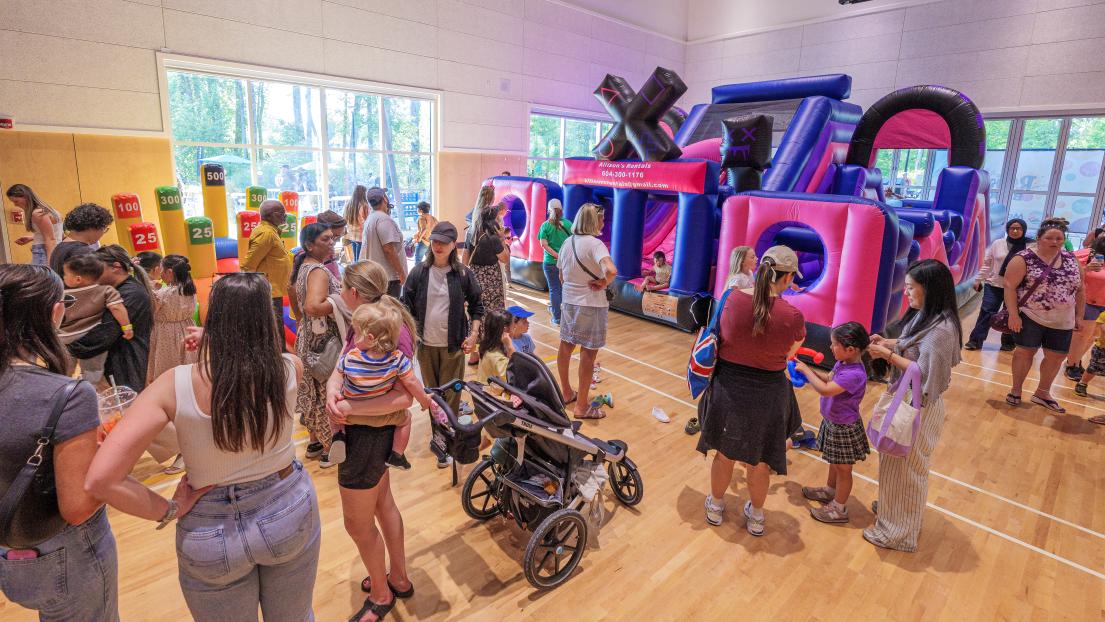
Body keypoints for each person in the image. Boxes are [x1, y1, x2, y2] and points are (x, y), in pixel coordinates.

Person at [85, 272, 321, 621]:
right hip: (287, 505)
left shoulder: (173, 383)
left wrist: (168, 509)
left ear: (212, 319)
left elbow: (101, 480)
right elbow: (248, 363)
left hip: (209, 525)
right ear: (266, 320)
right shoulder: (291, 368)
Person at [0, 264, 119, 621]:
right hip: (63, 552)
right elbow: (78, 507)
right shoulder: (67, 394)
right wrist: (111, 456)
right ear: (55, 311)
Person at [697, 246, 806, 536]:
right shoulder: (793, 315)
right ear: (786, 279)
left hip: (728, 386)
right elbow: (790, 353)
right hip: (768, 392)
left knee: (724, 453)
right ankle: (756, 515)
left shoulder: (731, 299)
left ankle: (716, 505)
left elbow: (716, 335)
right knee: (760, 461)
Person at [864, 259, 962, 551]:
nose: (906, 293)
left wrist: (887, 355)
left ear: (929, 290)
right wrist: (890, 343)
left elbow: (924, 372)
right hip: (907, 399)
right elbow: (914, 344)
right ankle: (894, 513)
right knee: (896, 464)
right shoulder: (929, 316)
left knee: (908, 469)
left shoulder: (942, 329)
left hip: (918, 404)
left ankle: (898, 533)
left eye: (910, 288)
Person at [400, 222, 484, 468]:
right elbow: (405, 306)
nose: (437, 246)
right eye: (434, 241)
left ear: (452, 245)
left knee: (452, 396)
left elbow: (478, 305)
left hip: (453, 346)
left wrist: (474, 335)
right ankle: (440, 439)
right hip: (425, 346)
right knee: (432, 396)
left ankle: (449, 438)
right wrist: (410, 338)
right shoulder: (418, 272)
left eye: (443, 242)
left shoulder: (463, 274)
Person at [329, 303, 446, 470]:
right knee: (406, 419)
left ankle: (338, 436)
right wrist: (424, 400)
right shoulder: (397, 359)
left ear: (369, 338)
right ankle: (397, 455)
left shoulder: (350, 357)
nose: (353, 338)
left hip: (348, 416)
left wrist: (333, 392)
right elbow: (412, 383)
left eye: (356, 333)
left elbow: (337, 377)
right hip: (384, 416)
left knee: (332, 412)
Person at [1003, 218, 1084, 413]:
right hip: (1031, 316)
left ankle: (1042, 392)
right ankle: (1016, 389)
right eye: (1050, 238)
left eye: (1059, 238)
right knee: (1024, 352)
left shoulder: (1072, 259)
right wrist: (1013, 314)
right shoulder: (1024, 258)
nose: (1055, 242)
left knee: (1056, 357)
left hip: (1063, 320)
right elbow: (1009, 286)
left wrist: (1079, 315)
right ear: (1039, 238)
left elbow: (1081, 289)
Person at [794, 322, 871, 525]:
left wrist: (808, 373)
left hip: (843, 427)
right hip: (833, 422)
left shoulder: (854, 374)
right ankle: (830, 491)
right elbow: (828, 378)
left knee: (843, 469)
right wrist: (808, 371)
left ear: (851, 349)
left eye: (834, 344)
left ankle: (839, 508)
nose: (830, 348)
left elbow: (827, 390)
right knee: (834, 461)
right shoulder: (843, 364)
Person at [556, 203, 617, 420]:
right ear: (594, 221)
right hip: (591, 304)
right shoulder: (596, 244)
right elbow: (611, 270)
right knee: (588, 354)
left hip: (569, 303)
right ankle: (582, 406)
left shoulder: (566, 243)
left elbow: (561, 277)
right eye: (601, 219)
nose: (603, 222)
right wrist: (603, 282)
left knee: (565, 347)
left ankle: (565, 392)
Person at [66, 245, 153, 392]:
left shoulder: (131, 293)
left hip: (122, 367)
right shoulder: (114, 291)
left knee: (121, 412)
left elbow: (105, 333)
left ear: (116, 267)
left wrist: (69, 347)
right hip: (108, 365)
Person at [291, 223, 341, 467]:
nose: (331, 243)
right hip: (322, 343)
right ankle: (330, 448)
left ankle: (315, 442)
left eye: (332, 239)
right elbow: (312, 306)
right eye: (325, 239)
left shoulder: (304, 267)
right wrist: (341, 303)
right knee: (325, 392)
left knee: (313, 390)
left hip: (308, 338)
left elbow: (298, 308)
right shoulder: (318, 270)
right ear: (310, 245)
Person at [58, 254, 134, 384]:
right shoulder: (106, 290)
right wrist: (127, 327)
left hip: (64, 338)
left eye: (65, 274)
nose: (63, 278)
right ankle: (90, 389)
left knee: (63, 369)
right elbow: (117, 308)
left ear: (77, 279)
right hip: (91, 338)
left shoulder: (61, 294)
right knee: (92, 370)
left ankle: (63, 389)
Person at [964, 219, 1027, 351]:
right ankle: (975, 341)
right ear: (1008, 229)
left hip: (1017, 287)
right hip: (994, 285)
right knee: (987, 311)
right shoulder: (998, 243)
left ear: (1024, 230)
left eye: (1019, 228)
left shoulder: (1029, 246)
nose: (1015, 231)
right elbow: (987, 263)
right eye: (1012, 228)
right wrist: (978, 279)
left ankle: (1008, 342)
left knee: (1012, 313)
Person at [467, 203, 510, 365]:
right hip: (491, 280)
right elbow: (505, 259)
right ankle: (489, 351)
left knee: (476, 314)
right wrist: (503, 239)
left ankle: (473, 353)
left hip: (475, 278)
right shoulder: (493, 239)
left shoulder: (472, 234)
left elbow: (465, 258)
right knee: (493, 316)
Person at [241, 200, 292, 334]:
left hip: (274, 289)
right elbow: (248, 264)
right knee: (274, 330)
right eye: (283, 213)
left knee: (276, 328)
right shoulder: (266, 233)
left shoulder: (271, 231)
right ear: (274, 215)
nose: (285, 216)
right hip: (268, 291)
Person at [147, 255, 198, 384]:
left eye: (162, 270)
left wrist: (152, 289)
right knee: (188, 362)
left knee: (168, 365)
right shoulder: (189, 289)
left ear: (169, 272)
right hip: (187, 328)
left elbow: (152, 311)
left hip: (166, 332)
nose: (160, 274)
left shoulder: (164, 293)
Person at [1063, 235, 1105, 380]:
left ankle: (1075, 360)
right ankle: (1071, 365)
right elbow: (1065, 273)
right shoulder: (1085, 254)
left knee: (1093, 336)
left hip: (1103, 305)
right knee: (1081, 336)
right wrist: (1086, 269)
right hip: (1087, 301)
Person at [360, 187, 407, 297]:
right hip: (389, 277)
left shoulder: (371, 218)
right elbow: (389, 250)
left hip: (377, 275)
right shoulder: (384, 220)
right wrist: (401, 273)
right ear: (384, 199)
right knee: (389, 310)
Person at [49, 202, 114, 276]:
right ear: (92, 227)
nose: (103, 233)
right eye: (104, 229)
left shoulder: (59, 247)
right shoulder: (83, 252)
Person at [7, 184, 63, 266]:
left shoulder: (37, 213)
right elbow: (57, 233)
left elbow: (50, 239)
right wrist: (32, 237)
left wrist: (51, 263)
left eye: (16, 201)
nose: (15, 205)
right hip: (52, 250)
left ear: (25, 197)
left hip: (44, 252)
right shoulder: (47, 209)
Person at [537, 198, 572, 324]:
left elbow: (544, 245)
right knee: (565, 289)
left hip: (550, 262)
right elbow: (573, 243)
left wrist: (556, 255)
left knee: (554, 289)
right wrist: (562, 256)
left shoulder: (545, 225)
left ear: (548, 210)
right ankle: (567, 317)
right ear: (561, 210)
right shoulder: (568, 224)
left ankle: (557, 318)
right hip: (566, 263)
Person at [477, 309, 516, 396]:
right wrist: (510, 347)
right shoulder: (498, 358)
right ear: (505, 331)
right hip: (494, 399)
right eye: (513, 327)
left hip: (484, 393)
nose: (514, 330)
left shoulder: (486, 347)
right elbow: (515, 377)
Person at [462, 185, 495, 265]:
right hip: (488, 267)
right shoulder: (491, 213)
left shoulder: (475, 212)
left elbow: (466, 253)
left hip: (474, 266)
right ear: (492, 198)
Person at [317, 209, 349, 277]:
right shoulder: (315, 255)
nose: (335, 242)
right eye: (335, 237)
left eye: (339, 237)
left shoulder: (329, 250)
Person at [344, 185, 370, 261]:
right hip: (361, 236)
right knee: (360, 260)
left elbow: (345, 219)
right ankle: (357, 272)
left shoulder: (348, 205)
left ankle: (354, 271)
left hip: (351, 235)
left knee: (355, 259)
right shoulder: (364, 206)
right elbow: (367, 222)